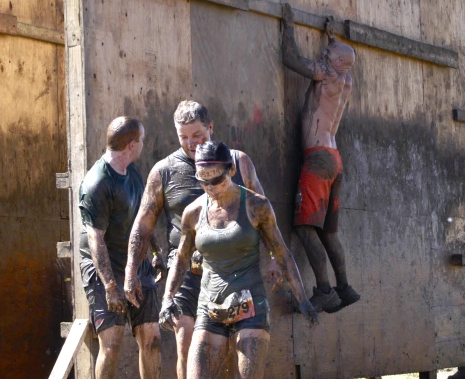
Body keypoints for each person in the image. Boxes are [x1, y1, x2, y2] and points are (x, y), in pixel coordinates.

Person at [124, 101, 278, 379]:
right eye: (183, 137)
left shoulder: (237, 161)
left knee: (233, 351)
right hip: (186, 271)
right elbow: (143, 225)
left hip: (232, 271)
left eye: (197, 135)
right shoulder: (163, 171)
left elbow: (265, 214)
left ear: (211, 127)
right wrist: (130, 270)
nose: (191, 143)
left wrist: (274, 257)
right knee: (186, 344)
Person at [160, 141, 317, 379]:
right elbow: (182, 259)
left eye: (216, 179)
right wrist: (167, 298)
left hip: (250, 304)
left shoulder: (256, 205)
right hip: (210, 305)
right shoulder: (193, 212)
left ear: (231, 170)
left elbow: (281, 252)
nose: (210, 186)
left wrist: (303, 299)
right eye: (203, 180)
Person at [280, 3, 360, 313]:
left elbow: (291, 59)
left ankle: (324, 290)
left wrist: (288, 25)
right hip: (334, 159)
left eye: (326, 56)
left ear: (335, 62)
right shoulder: (346, 80)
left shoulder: (326, 73)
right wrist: (330, 40)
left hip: (317, 159)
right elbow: (340, 58)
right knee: (328, 231)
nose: (322, 58)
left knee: (303, 227)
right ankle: (344, 286)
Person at [79, 117, 163, 379]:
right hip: (104, 265)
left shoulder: (134, 172)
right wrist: (111, 288)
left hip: (135, 261)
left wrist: (157, 252)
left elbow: (143, 219)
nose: (142, 146)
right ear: (131, 145)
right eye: (141, 141)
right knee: (112, 342)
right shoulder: (97, 183)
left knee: (151, 337)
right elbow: (95, 240)